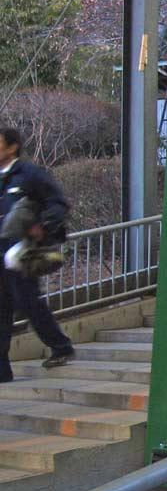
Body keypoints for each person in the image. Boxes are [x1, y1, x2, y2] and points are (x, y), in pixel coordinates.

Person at [0, 128, 74, 383]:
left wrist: (43, 225)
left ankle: (60, 345)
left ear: (12, 147)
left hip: (21, 251)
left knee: (27, 302)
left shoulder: (29, 174)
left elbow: (58, 203)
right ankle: (2, 370)